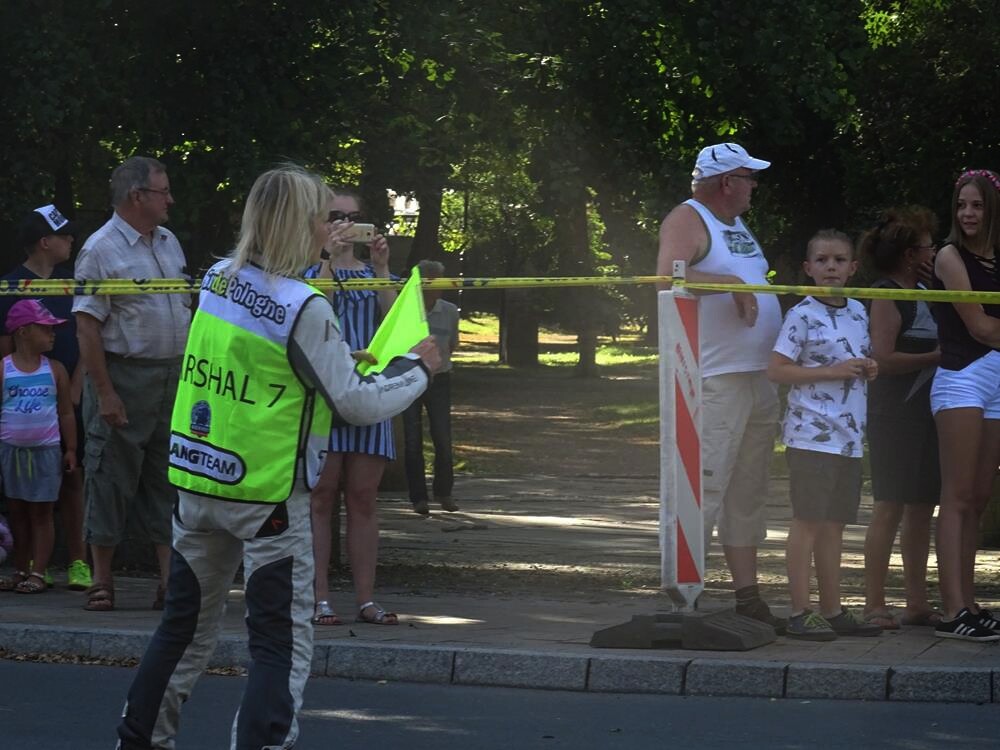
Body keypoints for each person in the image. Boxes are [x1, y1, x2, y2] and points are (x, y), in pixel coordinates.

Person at [115, 164, 439, 750]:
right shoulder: (303, 305)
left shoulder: (216, 277)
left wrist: (339, 356)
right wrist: (418, 370)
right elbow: (358, 404)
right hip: (268, 498)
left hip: (198, 482)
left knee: (182, 631)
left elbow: (257, 366)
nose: (329, 227)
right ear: (298, 224)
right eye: (322, 216)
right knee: (278, 643)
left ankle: (137, 740)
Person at [655, 142, 784, 631]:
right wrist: (730, 284)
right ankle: (684, 596)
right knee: (704, 484)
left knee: (748, 490)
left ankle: (747, 595)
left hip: (755, 376)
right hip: (716, 378)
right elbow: (667, 276)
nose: (755, 186)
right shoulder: (689, 218)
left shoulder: (735, 223)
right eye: (750, 177)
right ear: (727, 181)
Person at [72, 156, 191, 612]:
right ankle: (101, 581)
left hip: (173, 375)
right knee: (109, 477)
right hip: (123, 374)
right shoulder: (100, 249)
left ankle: (170, 582)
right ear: (137, 196)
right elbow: (87, 327)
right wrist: (105, 391)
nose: (171, 200)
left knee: (171, 477)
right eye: (163, 192)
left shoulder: (170, 242)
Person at [767, 230, 882, 640]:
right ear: (808, 268)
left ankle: (832, 609)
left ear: (853, 268)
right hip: (810, 436)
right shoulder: (801, 314)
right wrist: (831, 371)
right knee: (808, 521)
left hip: (849, 436)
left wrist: (868, 367)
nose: (830, 267)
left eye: (839, 260)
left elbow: (858, 357)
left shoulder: (857, 311)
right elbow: (778, 369)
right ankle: (800, 610)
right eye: (822, 260)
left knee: (834, 524)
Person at [304, 188, 402, 627]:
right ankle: (319, 597)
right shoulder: (306, 272)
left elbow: (397, 326)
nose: (346, 223)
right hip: (323, 394)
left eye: (354, 217)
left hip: (368, 393)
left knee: (363, 498)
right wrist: (328, 257)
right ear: (320, 223)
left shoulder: (372, 271)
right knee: (320, 496)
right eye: (336, 216)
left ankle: (366, 600)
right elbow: (315, 309)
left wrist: (382, 268)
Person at [0, 205, 91, 591]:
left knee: (73, 478)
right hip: (24, 412)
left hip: (69, 399)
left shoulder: (74, 282)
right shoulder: (10, 286)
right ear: (44, 241)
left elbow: (90, 335)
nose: (71, 241)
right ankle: (33, 565)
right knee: (21, 494)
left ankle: (78, 561)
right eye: (65, 235)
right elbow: (5, 348)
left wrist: (75, 386)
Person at [859, 208, 942, 630]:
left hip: (932, 414)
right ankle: (874, 603)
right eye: (928, 246)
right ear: (911, 254)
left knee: (922, 508)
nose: (934, 252)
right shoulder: (886, 293)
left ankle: (917, 602)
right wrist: (938, 357)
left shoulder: (933, 288)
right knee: (889, 505)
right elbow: (883, 358)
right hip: (893, 413)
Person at [929, 169, 1000, 642]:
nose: (968, 214)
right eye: (961, 206)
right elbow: (979, 327)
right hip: (962, 378)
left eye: (976, 205)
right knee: (955, 497)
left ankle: (971, 603)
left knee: (978, 496)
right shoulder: (949, 256)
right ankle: (953, 608)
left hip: (998, 378)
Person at [0, 300, 77, 595]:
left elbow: (66, 412)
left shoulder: (55, 370)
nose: (52, 335)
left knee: (42, 513)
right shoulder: (4, 370)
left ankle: (39, 572)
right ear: (23, 332)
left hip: (45, 452)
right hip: (11, 453)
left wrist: (70, 449)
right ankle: (21, 568)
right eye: (45, 329)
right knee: (17, 512)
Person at [403, 259, 461, 515]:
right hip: (409, 379)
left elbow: (452, 344)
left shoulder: (449, 311)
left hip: (440, 380)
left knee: (442, 437)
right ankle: (418, 498)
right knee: (412, 440)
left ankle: (444, 492)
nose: (437, 287)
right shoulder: (405, 311)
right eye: (431, 281)